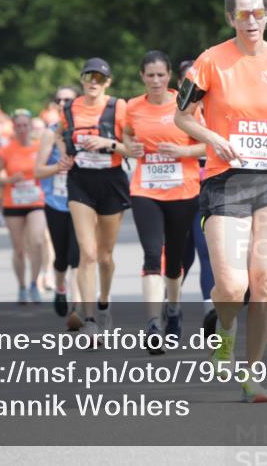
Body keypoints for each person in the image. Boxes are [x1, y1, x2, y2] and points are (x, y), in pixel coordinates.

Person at [175, 0, 267, 403]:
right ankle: (224, 327)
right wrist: (212, 138)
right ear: (231, 18)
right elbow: (181, 116)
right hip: (227, 178)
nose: (251, 20)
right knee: (233, 286)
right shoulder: (209, 61)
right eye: (243, 13)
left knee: (266, 278)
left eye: (258, 13)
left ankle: (253, 372)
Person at [122, 51, 204, 354]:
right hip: (146, 190)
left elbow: (208, 143)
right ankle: (153, 323)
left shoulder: (185, 105)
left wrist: (182, 153)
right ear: (142, 76)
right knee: (152, 256)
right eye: (150, 75)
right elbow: (127, 138)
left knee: (175, 261)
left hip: (183, 191)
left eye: (161, 75)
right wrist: (131, 147)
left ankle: (173, 308)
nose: (155, 80)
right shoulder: (132, 107)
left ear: (169, 76)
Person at [62, 58, 131, 342]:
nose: (94, 82)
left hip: (111, 181)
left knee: (104, 256)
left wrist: (109, 144)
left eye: (100, 78)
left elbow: (132, 148)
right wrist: (64, 154)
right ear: (82, 80)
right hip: (81, 180)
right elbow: (62, 136)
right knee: (87, 253)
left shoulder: (118, 107)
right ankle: (90, 319)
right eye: (89, 77)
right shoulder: (69, 108)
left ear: (108, 83)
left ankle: (104, 302)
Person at [36, 86, 84, 330]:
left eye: (69, 99)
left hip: (82, 201)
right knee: (62, 258)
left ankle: (76, 308)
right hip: (56, 202)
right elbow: (38, 171)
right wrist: (59, 167)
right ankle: (61, 288)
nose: (64, 103)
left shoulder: (85, 130)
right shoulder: (49, 133)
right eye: (60, 100)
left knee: (78, 257)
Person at [0, 109, 47, 304]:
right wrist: (8, 179)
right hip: (13, 202)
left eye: (26, 125)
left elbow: (49, 169)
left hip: (36, 200)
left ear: (31, 126)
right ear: (13, 128)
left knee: (38, 241)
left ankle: (34, 284)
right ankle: (22, 287)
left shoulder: (40, 147)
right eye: (19, 125)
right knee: (19, 249)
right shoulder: (6, 150)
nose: (22, 129)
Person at [176, 59, 216, 325]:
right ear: (180, 85)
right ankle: (171, 307)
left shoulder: (216, 110)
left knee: (206, 250)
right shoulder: (174, 115)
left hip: (209, 189)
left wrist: (187, 151)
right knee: (181, 255)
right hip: (178, 192)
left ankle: (210, 311)